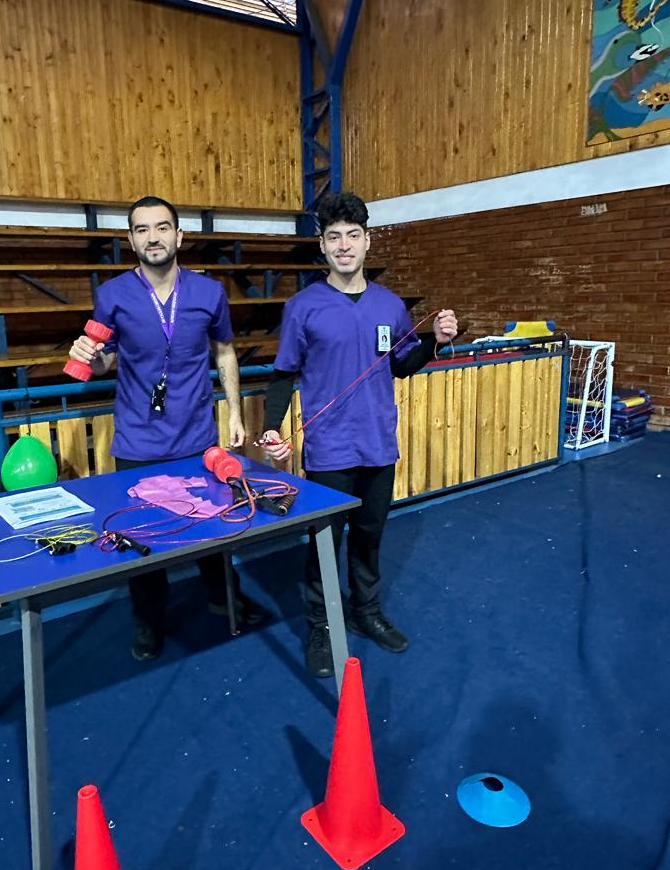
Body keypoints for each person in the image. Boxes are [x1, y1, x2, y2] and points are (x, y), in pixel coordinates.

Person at [260, 191, 457, 677]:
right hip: (329, 449)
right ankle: (322, 626)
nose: (344, 245)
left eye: (352, 236)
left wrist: (435, 342)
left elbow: (402, 365)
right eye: (334, 237)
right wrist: (271, 426)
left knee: (369, 536)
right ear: (322, 246)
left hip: (378, 444)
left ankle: (366, 613)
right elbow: (283, 374)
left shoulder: (390, 305)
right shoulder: (303, 307)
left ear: (368, 241)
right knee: (323, 543)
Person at [69, 195, 266, 661]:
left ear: (179, 235)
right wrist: (89, 359)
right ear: (131, 239)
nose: (153, 237)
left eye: (162, 227)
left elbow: (224, 352)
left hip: (196, 437)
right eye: (142, 229)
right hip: (138, 440)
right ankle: (148, 620)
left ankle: (224, 598)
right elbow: (106, 360)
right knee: (142, 534)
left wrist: (234, 413)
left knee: (213, 527)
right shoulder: (113, 294)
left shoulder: (209, 292)